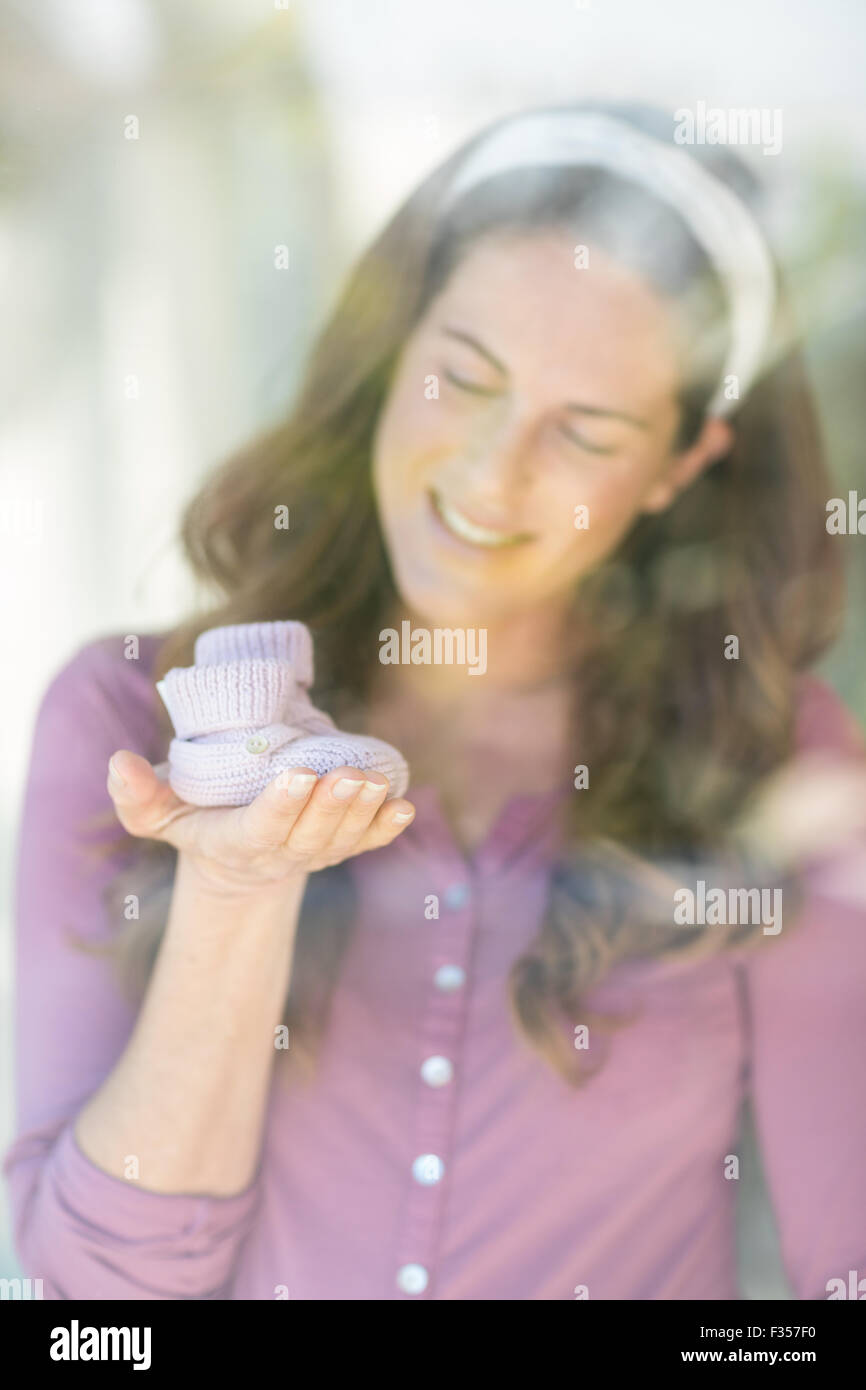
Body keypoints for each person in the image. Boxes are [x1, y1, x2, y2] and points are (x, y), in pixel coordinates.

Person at [5, 104, 866, 1301]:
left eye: (587, 430)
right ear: (392, 353)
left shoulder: (774, 762)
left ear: (678, 465)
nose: (489, 470)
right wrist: (239, 889)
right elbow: (100, 1300)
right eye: (464, 377)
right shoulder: (127, 716)